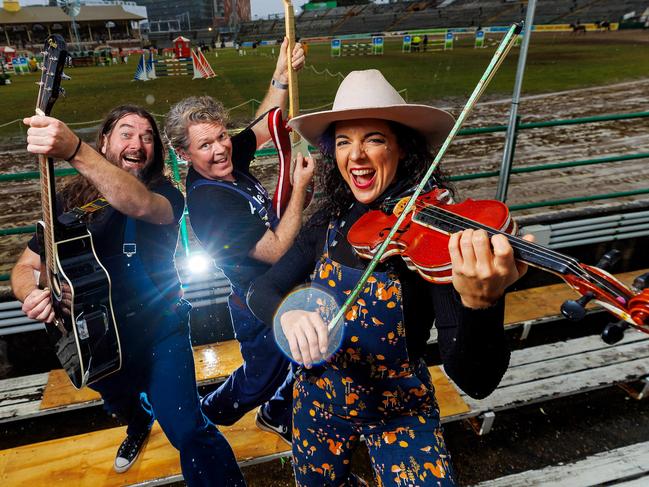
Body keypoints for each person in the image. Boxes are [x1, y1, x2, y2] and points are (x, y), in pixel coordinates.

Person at [247, 69, 533, 486]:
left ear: (403, 147)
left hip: (400, 409)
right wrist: (286, 315)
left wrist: (480, 306)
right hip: (318, 400)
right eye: (344, 141)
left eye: (374, 139)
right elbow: (263, 289)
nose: (356, 156)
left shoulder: (434, 237)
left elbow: (477, 381)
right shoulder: (329, 219)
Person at [12, 105, 245, 485]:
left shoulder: (166, 193)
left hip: (160, 334)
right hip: (99, 340)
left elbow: (135, 204)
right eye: (126, 133)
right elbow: (24, 267)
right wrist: (32, 295)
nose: (138, 143)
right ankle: (138, 421)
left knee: (188, 431)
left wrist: (74, 150)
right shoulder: (68, 201)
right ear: (104, 140)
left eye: (147, 136)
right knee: (120, 406)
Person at [164, 38, 311, 445]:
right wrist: (299, 187)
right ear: (184, 153)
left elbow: (264, 126)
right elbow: (277, 247)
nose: (220, 148)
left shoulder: (225, 159)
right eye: (205, 145)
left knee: (304, 352)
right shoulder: (209, 201)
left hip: (280, 285)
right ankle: (209, 414)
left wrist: (281, 75)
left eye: (222, 136)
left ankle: (279, 413)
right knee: (260, 377)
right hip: (254, 299)